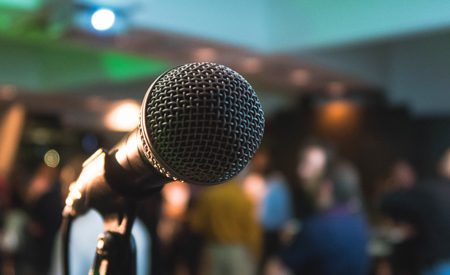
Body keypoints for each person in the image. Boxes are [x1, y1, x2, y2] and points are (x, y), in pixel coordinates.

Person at [268, 141, 370, 275]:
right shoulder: (358, 221)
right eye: (302, 163)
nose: (302, 172)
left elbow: (277, 269)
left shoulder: (317, 227)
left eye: (311, 166)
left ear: (327, 184)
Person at [190, 168, 262, 275]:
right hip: (238, 251)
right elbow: (252, 229)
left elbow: (197, 225)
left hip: (213, 248)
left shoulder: (209, 196)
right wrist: (257, 251)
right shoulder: (244, 199)